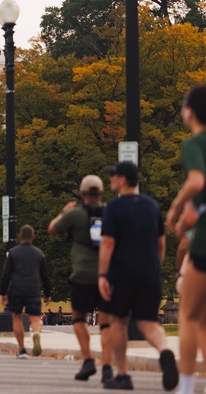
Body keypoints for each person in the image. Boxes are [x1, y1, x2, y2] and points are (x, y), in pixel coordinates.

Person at [98, 161, 178, 391]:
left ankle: (122, 374)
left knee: (118, 322)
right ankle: (164, 351)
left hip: (121, 273)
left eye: (113, 176)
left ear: (123, 180)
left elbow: (108, 242)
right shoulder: (152, 206)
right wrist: (154, 266)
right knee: (148, 322)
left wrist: (103, 274)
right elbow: (160, 243)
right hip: (149, 273)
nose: (111, 179)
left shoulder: (113, 208)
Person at [48, 173, 113, 382]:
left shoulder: (75, 214)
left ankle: (88, 360)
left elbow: (52, 229)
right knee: (106, 323)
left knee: (78, 318)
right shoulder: (110, 214)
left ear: (82, 193)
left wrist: (63, 212)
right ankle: (108, 366)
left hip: (82, 274)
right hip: (107, 275)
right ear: (102, 192)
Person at [167, 84, 206, 394]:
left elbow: (197, 181)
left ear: (189, 111)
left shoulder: (195, 144)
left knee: (189, 316)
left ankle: (187, 388)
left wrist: (176, 206)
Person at [0, 225, 51, 359]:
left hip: (16, 289)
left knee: (16, 317)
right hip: (33, 288)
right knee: (35, 317)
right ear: (33, 237)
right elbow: (45, 275)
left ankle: (22, 349)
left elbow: (6, 274)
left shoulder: (13, 253)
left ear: (20, 237)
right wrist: (47, 293)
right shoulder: (39, 253)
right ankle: (36, 334)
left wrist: (3, 292)